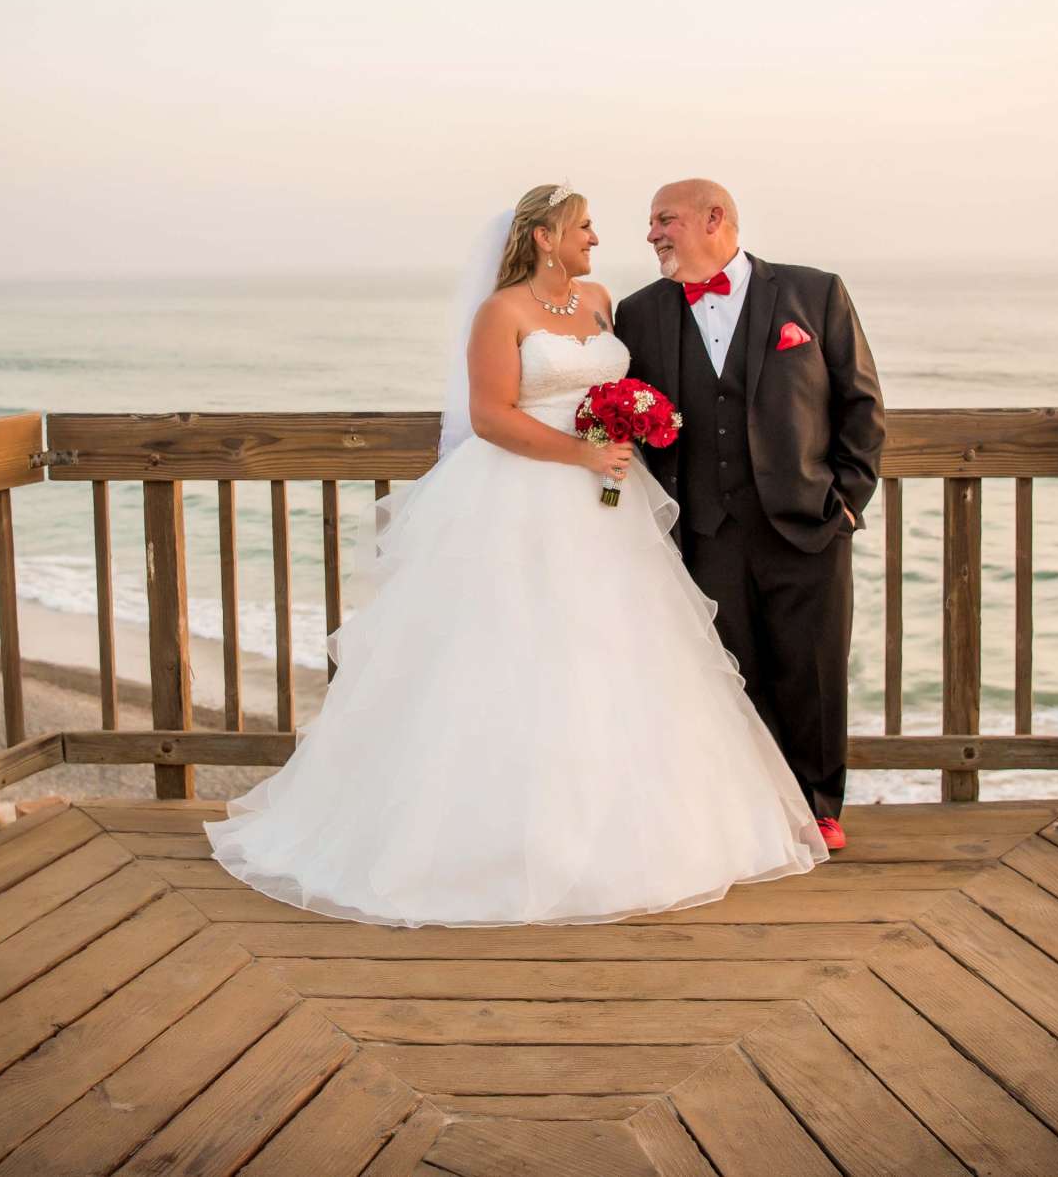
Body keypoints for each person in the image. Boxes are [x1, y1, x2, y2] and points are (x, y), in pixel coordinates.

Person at [205, 183, 826, 926]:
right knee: (513, 654)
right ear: (543, 237)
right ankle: (495, 842)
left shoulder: (602, 302)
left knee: (618, 655)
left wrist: (634, 424)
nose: (598, 239)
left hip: (607, 507)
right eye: (585, 228)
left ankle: (627, 833)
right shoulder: (499, 314)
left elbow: (632, 382)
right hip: (521, 497)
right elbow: (491, 417)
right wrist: (580, 453)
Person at [614, 180, 885, 848]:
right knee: (729, 671)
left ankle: (820, 805)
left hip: (807, 521)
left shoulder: (814, 294)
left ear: (715, 219)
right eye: (650, 223)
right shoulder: (638, 312)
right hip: (705, 529)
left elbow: (861, 404)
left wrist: (846, 501)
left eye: (664, 220)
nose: (652, 234)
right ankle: (753, 811)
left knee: (813, 668)